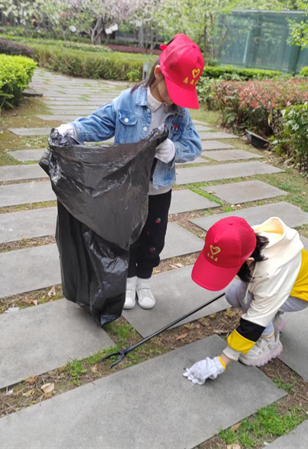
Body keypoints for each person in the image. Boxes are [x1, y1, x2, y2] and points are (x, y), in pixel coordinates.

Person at [56, 34, 204, 311]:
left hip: (159, 190)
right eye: (175, 90)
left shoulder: (180, 114)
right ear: (158, 74)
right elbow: (100, 122)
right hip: (127, 190)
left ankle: (144, 281)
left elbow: (194, 145)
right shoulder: (127, 102)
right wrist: (74, 129)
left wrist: (174, 149)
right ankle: (127, 281)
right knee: (126, 236)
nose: (177, 100)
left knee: (152, 240)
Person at [183, 216, 308, 385]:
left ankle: (270, 341)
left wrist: (221, 361)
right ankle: (273, 318)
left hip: (299, 294)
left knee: (249, 301)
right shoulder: (245, 237)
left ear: (249, 262)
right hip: (276, 284)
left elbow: (255, 319)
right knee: (233, 294)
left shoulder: (270, 272)